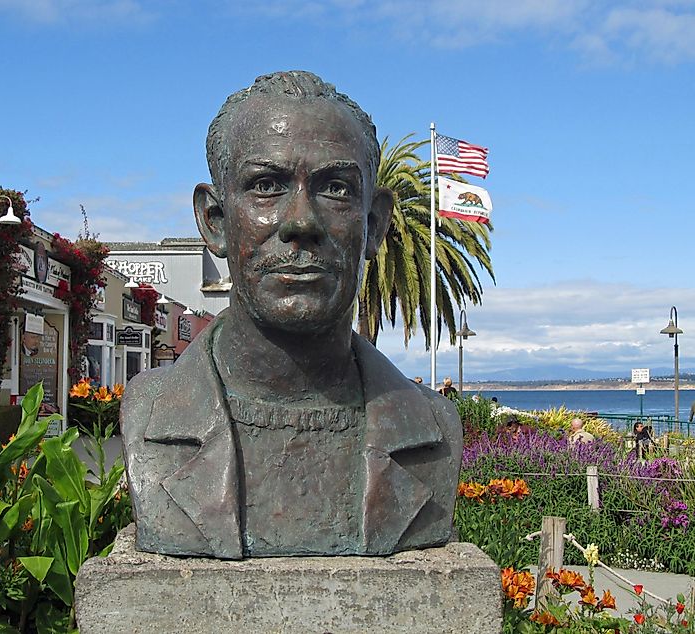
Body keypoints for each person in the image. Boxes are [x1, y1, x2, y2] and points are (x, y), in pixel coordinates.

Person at [121, 71, 462, 559]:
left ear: (373, 224)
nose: (302, 221)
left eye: (337, 189)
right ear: (215, 222)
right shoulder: (152, 416)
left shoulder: (433, 430)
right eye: (266, 185)